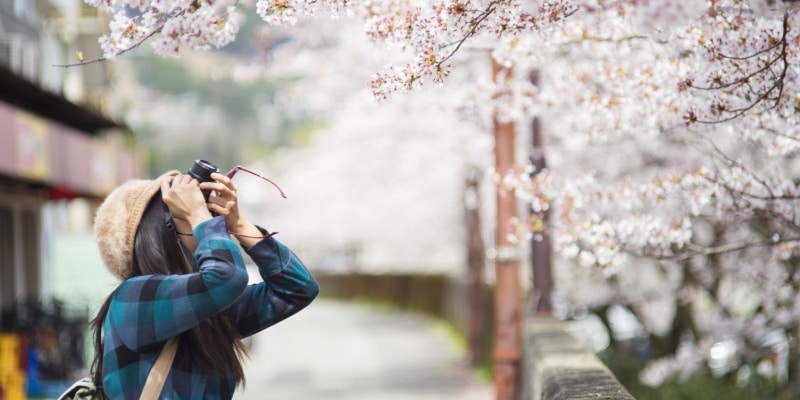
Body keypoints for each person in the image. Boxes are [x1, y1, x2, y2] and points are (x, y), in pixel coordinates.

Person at [88, 169, 319, 399]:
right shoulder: (133, 299)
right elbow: (227, 277)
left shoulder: (207, 310)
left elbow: (298, 289)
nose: (206, 220)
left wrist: (238, 223)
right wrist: (198, 214)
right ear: (160, 232)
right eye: (186, 214)